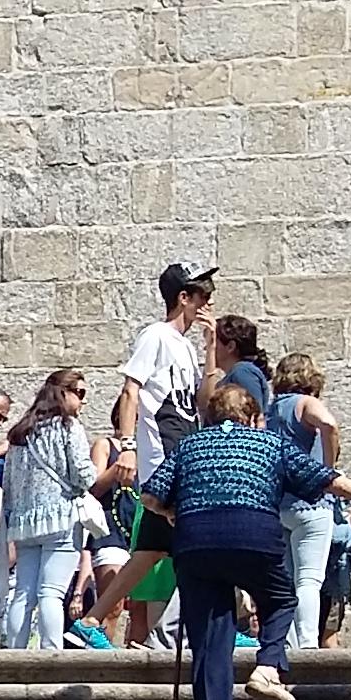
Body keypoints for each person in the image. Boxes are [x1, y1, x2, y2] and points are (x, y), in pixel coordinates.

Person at [141, 381, 351, 700]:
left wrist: (172, 514)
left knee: (210, 640)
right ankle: (267, 667)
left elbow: (149, 495)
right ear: (253, 418)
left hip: (196, 542)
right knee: (280, 598)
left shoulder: (188, 445)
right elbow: (328, 479)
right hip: (253, 535)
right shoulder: (270, 443)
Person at [88, 264, 212, 641]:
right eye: (202, 296)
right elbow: (131, 390)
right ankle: (203, 623)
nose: (208, 303)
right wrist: (127, 447)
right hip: (162, 459)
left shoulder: (188, 349)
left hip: (182, 455)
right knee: (199, 541)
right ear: (183, 298)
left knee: (152, 552)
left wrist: (210, 349)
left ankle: (93, 619)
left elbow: (202, 404)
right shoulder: (156, 336)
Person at [0, 370, 96, 652]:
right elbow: (83, 474)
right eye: (80, 393)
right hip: (61, 518)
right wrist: (94, 473)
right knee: (52, 592)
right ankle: (52, 654)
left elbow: (9, 484)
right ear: (63, 392)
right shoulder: (68, 426)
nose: (83, 401)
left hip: (25, 523)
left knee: (24, 594)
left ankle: (14, 653)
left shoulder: (20, 431)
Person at [264, 355, 342, 652]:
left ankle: (288, 642)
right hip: (311, 501)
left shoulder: (272, 409)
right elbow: (329, 425)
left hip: (279, 503)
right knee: (309, 577)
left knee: (286, 578)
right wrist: (328, 468)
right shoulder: (305, 403)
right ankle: (308, 644)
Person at [211, 314, 272, 416]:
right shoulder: (237, 373)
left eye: (213, 343)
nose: (207, 349)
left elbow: (254, 413)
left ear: (230, 346)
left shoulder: (243, 372)